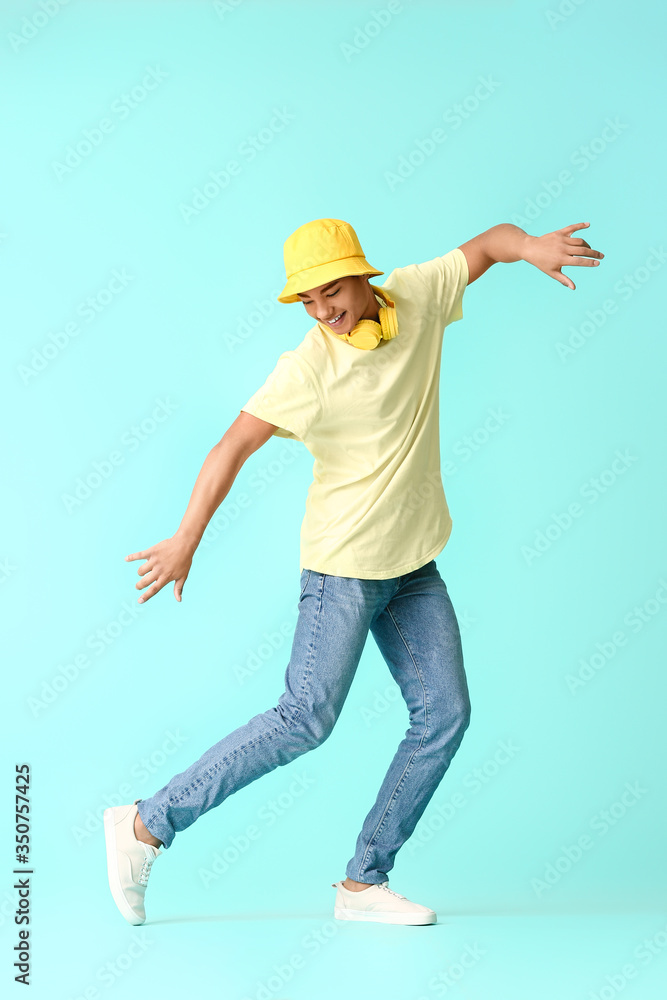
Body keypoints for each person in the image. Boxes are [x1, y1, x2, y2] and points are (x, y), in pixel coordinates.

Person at [104, 217, 604, 927]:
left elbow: (488, 244)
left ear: (362, 275)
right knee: (303, 719)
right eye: (305, 301)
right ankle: (144, 825)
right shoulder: (307, 367)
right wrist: (187, 536)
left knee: (444, 715)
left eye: (330, 291)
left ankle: (363, 884)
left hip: (412, 563)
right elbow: (232, 445)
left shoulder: (416, 295)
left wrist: (530, 250)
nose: (322, 311)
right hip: (343, 569)